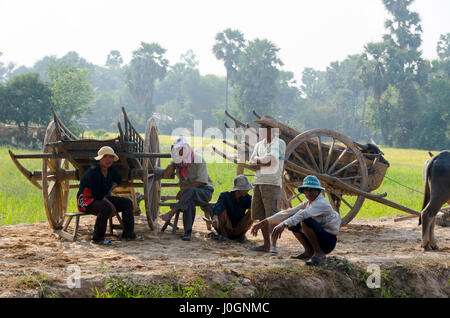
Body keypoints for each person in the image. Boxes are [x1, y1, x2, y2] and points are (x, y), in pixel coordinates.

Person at [251, 175, 341, 266]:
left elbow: (303, 214)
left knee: (304, 221)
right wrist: (265, 221)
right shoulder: (308, 202)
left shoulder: (321, 203)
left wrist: (283, 224)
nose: (308, 193)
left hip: (328, 241)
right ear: (303, 191)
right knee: (294, 223)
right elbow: (289, 212)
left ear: (318, 191)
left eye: (311, 190)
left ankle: (319, 254)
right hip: (319, 238)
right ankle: (308, 252)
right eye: (306, 190)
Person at [76, 146, 143, 245]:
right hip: (86, 201)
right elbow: (97, 195)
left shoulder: (110, 169)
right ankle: (98, 238)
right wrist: (111, 206)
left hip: (101, 197)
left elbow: (118, 178)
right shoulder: (93, 172)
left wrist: (111, 188)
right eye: (105, 157)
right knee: (106, 207)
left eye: (111, 157)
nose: (108, 159)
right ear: (100, 159)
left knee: (127, 203)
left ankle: (128, 234)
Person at [159, 137, 214, 241]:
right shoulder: (178, 162)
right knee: (189, 202)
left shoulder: (198, 159)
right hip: (189, 194)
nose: (180, 152)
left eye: (182, 150)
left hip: (205, 192)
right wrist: (171, 164)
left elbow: (201, 181)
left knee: (190, 191)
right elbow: (166, 175)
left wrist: (184, 189)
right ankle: (187, 233)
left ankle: (172, 212)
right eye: (178, 150)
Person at [247, 117, 286, 254]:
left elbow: (271, 160)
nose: (260, 129)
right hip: (258, 182)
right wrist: (261, 162)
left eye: (263, 127)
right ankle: (266, 244)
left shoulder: (279, 143)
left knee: (272, 216)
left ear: (271, 130)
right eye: (261, 126)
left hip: (272, 183)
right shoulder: (259, 145)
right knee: (261, 216)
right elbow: (251, 163)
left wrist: (259, 161)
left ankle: (274, 246)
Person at [210, 175, 253, 243]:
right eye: (245, 188)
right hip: (226, 228)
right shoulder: (225, 196)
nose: (248, 190)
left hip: (239, 228)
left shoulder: (247, 198)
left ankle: (241, 235)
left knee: (253, 211)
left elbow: (255, 206)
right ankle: (224, 235)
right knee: (220, 211)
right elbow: (218, 206)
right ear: (238, 189)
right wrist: (215, 217)